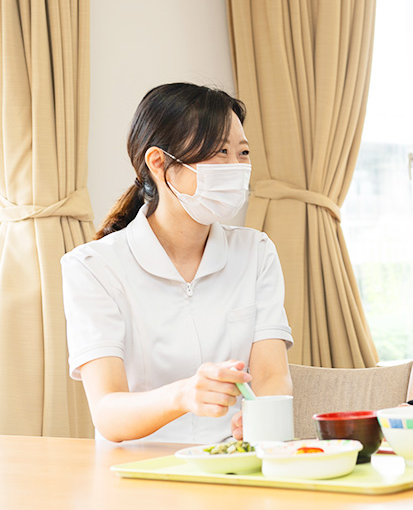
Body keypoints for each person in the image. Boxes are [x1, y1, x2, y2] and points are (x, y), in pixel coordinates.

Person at [62, 83, 293, 444]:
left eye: (243, 152)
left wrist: (260, 421)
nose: (236, 168)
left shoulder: (256, 252)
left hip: (233, 460)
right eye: (220, 151)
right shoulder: (93, 267)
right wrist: (183, 395)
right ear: (159, 163)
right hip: (138, 469)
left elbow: (271, 377)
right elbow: (107, 412)